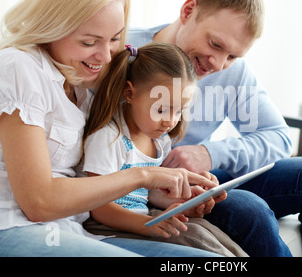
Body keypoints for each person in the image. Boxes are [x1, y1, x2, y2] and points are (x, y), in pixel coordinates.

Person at [0, 0, 219, 257]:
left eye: (115, 39)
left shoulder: (83, 82)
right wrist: (143, 176)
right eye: (90, 41)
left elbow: (96, 179)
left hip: (70, 230)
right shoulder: (17, 67)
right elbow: (38, 201)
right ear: (52, 27)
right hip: (3, 227)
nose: (106, 56)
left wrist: (173, 192)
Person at [126, 0, 302, 257]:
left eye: (232, 56)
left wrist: (209, 153)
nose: (218, 64)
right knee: (248, 209)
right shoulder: (126, 51)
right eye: (215, 45)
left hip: (201, 177)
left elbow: (278, 138)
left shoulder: (232, 72)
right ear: (188, 11)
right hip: (149, 186)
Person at [80, 42, 247, 256]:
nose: (170, 121)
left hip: (145, 216)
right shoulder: (108, 138)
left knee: (203, 231)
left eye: (179, 111)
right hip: (108, 227)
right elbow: (98, 207)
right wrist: (145, 224)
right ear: (130, 93)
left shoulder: (159, 140)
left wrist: (185, 202)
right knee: (194, 237)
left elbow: (150, 195)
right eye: (161, 109)